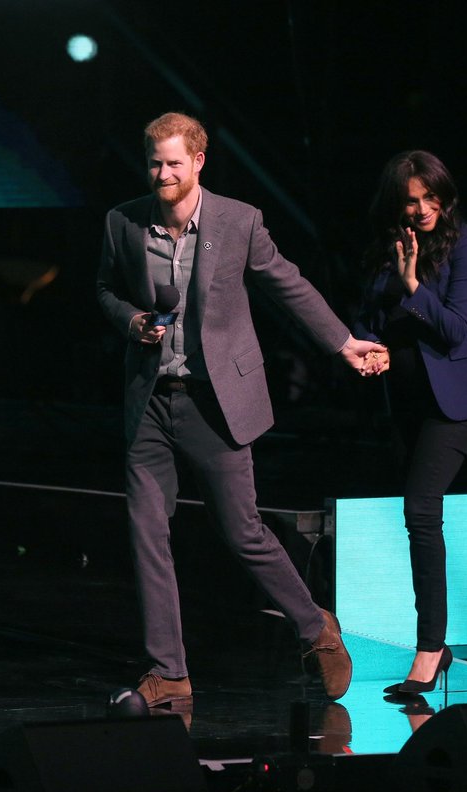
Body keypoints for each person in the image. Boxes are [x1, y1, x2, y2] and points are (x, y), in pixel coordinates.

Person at [96, 111, 385, 707]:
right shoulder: (123, 222)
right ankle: (169, 672)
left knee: (243, 531)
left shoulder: (238, 221)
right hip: (151, 400)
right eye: (154, 161)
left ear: (199, 162)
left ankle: (317, 629)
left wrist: (343, 343)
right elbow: (104, 289)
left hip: (215, 403)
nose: (163, 173)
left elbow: (288, 284)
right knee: (146, 532)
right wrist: (131, 321)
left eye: (175, 162)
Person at [352, 150, 467, 697]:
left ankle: (430, 649)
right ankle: (432, 645)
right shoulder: (387, 247)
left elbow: (458, 331)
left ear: (444, 195)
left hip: (460, 402)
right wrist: (370, 348)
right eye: (410, 201)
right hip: (409, 401)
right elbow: (370, 316)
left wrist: (414, 284)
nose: (420, 209)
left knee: (421, 510)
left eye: (429, 199)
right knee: (417, 514)